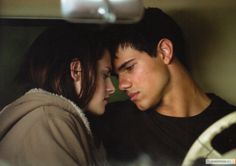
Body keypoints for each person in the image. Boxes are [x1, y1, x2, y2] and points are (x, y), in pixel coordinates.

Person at [90, 8, 236, 165]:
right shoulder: (112, 123)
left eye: (129, 67)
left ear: (165, 51)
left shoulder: (229, 124)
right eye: (117, 76)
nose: (122, 85)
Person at [0, 25, 115, 166]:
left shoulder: (46, 118)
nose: (112, 88)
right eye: (105, 75)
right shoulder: (50, 121)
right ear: (76, 70)